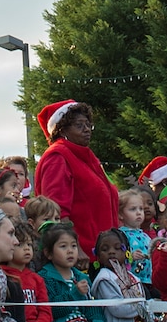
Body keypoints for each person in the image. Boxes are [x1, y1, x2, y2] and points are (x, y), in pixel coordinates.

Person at [31, 101, 116, 258]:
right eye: (79, 125)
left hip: (101, 253)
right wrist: (75, 249)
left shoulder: (86, 157)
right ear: (61, 130)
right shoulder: (57, 157)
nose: (87, 129)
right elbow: (55, 211)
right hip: (81, 257)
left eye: (88, 124)